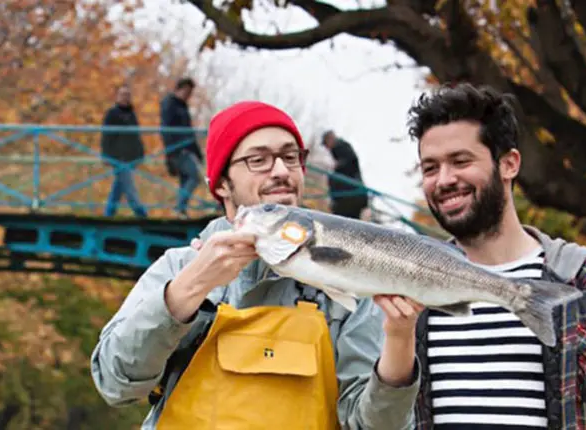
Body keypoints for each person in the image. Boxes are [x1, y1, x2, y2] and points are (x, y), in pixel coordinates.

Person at [91, 100, 423, 429]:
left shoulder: (348, 279)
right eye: (258, 160)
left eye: (291, 157)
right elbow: (116, 383)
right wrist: (187, 290)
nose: (281, 171)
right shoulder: (177, 267)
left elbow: (375, 427)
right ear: (221, 184)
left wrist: (399, 340)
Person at [405, 83, 586, 429]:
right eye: (430, 168)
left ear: (509, 164)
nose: (444, 180)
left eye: (460, 161)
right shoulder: (411, 287)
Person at [101, 84, 147, 218]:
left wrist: (140, 153)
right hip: (117, 156)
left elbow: (136, 136)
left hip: (130, 156)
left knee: (119, 186)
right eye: (122, 95)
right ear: (117, 97)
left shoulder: (132, 114)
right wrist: (105, 155)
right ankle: (141, 214)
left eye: (127, 95)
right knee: (129, 187)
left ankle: (109, 214)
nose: (125, 98)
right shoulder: (112, 114)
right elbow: (106, 135)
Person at [160, 77, 203, 218]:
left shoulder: (183, 106)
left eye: (190, 93)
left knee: (186, 179)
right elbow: (166, 128)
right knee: (194, 176)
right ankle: (179, 208)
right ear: (179, 89)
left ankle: (181, 209)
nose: (188, 95)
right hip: (177, 149)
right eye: (187, 91)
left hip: (186, 148)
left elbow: (188, 130)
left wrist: (197, 153)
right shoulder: (169, 104)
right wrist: (171, 150)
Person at [322, 130, 369, 219]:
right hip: (353, 194)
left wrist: (337, 166)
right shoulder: (341, 148)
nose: (327, 148)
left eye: (326, 144)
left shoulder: (341, 147)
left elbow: (351, 161)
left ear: (330, 140)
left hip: (349, 194)